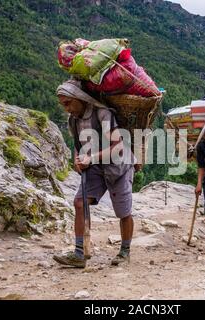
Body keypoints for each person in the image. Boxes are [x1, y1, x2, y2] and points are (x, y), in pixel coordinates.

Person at [53, 80, 135, 268]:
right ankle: (79, 253)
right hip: (96, 167)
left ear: (80, 98)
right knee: (80, 203)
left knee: (123, 212)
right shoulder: (73, 120)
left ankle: (124, 251)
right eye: (63, 104)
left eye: (68, 103)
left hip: (119, 167)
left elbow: (118, 147)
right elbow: (77, 145)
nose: (66, 109)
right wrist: (77, 159)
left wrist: (91, 158)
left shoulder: (102, 114)